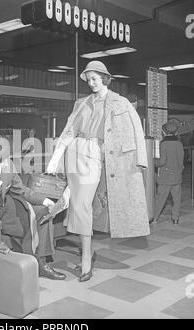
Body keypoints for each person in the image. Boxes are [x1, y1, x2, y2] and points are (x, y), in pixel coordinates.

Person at [47, 60, 150, 282]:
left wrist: (139, 160)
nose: (92, 83)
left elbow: (136, 131)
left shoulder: (119, 103)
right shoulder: (81, 103)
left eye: (95, 78)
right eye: (89, 79)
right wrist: (54, 161)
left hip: (95, 154)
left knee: (82, 205)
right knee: (76, 204)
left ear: (105, 78)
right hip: (74, 154)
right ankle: (86, 251)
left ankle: (86, 257)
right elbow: (67, 133)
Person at [0, 133, 66, 280]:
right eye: (3, 159)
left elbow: (21, 189)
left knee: (42, 211)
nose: (7, 162)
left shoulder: (7, 164)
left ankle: (39, 262)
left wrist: (44, 201)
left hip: (1, 212)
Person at [152, 121, 184, 224]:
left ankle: (155, 218)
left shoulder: (164, 144)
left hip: (165, 177)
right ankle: (175, 219)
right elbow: (181, 159)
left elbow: (162, 162)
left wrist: (153, 161)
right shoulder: (179, 144)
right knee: (177, 199)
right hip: (177, 176)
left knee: (160, 198)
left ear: (164, 132)